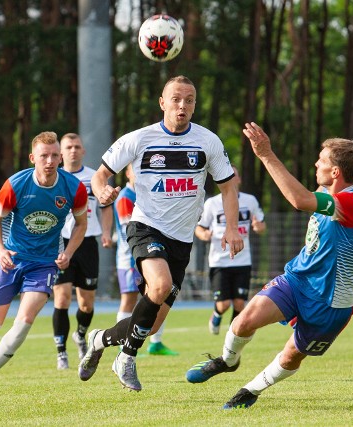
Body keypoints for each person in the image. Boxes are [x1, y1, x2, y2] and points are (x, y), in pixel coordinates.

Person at [185, 122, 353, 409]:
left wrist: (265, 154)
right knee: (243, 321)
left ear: (335, 172)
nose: (315, 163)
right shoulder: (333, 194)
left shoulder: (352, 201)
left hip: (332, 302)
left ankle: (250, 391)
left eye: (321, 160)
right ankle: (227, 360)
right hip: (298, 280)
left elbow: (298, 200)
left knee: (291, 356)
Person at [78, 75, 243, 391]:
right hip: (145, 227)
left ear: (195, 105)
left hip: (181, 240)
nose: (183, 106)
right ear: (162, 102)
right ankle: (126, 358)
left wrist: (233, 228)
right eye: (177, 99)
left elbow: (228, 188)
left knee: (151, 325)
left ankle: (99, 340)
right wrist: (101, 192)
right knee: (160, 284)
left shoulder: (208, 141)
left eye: (189, 100)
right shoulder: (138, 139)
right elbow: (100, 176)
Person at [0, 131, 88, 387]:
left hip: (45, 263)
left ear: (60, 158)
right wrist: (1, 250)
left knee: (25, 320)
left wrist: (67, 253)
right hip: (12, 259)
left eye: (54, 156)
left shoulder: (73, 187)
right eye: (44, 156)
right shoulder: (16, 184)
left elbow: (81, 224)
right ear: (32, 158)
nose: (50, 161)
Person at [52, 133, 113, 370]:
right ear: (61, 153)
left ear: (83, 151)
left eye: (77, 147)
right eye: (68, 147)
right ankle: (61, 351)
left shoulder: (93, 178)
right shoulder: (53, 178)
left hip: (87, 242)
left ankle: (80, 334)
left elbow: (106, 207)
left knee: (86, 303)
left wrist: (107, 232)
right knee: (62, 297)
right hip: (60, 242)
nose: (73, 151)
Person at [114, 165, 178, 356]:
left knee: (158, 295)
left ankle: (156, 343)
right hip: (129, 258)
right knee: (129, 299)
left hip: (149, 255)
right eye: (135, 169)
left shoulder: (148, 195)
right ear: (127, 173)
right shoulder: (126, 196)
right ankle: (121, 341)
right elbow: (130, 229)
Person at [195, 166, 266, 335]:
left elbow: (262, 225)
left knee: (240, 304)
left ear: (239, 179)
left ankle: (233, 332)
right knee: (224, 304)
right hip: (219, 261)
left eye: (233, 175)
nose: (230, 179)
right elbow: (199, 228)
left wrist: (258, 226)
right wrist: (204, 234)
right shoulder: (212, 203)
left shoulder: (250, 201)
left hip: (243, 259)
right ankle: (217, 314)